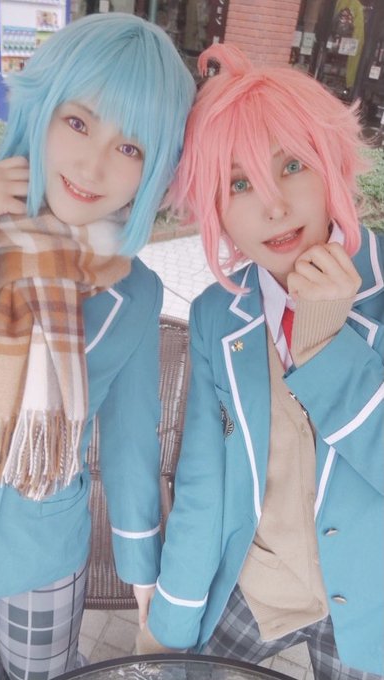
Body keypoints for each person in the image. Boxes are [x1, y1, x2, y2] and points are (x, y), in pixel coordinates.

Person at [0, 13, 195, 680]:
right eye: (78, 122)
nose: (92, 164)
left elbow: (132, 441)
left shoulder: (134, 292)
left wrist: (143, 574)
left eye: (130, 147)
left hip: (43, 547)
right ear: (40, 109)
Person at [137, 43, 384, 679]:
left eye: (292, 165)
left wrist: (326, 346)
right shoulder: (219, 315)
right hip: (260, 582)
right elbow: (204, 477)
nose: (273, 206)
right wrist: (171, 616)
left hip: (374, 602)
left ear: (331, 162)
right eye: (238, 184)